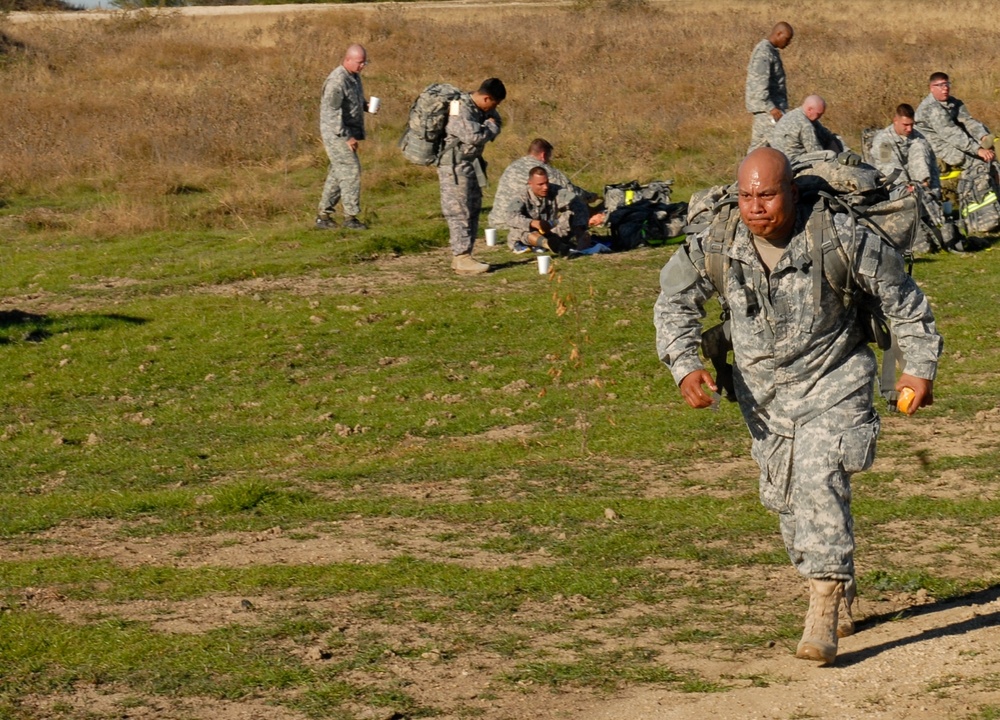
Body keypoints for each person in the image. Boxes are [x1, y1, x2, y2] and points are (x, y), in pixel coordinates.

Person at [653, 148, 942, 665]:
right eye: (746, 196)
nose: (755, 207)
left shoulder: (836, 235)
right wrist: (684, 363)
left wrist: (916, 366)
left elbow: (904, 300)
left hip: (835, 378)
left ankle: (823, 605)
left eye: (766, 195)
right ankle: (834, 579)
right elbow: (672, 301)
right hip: (762, 396)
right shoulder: (718, 240)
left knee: (818, 476)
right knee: (786, 501)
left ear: (791, 190)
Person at [438, 78, 506, 276]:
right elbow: (472, 136)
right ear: (486, 98)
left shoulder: (482, 109)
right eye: (494, 104)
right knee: (458, 210)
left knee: (473, 207)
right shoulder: (458, 107)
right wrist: (489, 128)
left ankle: (465, 254)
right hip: (454, 166)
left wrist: (487, 127)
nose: (495, 109)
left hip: (472, 164)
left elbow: (497, 121)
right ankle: (461, 257)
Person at [488, 138, 603, 248]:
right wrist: (592, 196)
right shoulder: (543, 171)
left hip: (496, 221)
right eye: (549, 157)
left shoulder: (512, 166)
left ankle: (556, 242)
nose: (545, 186)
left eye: (546, 183)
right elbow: (574, 192)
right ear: (543, 155)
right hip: (518, 224)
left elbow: (568, 197)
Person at [871, 103, 952, 250]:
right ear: (895, 120)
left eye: (911, 124)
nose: (909, 129)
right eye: (905, 125)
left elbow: (932, 167)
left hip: (921, 188)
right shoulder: (883, 142)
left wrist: (933, 191)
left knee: (919, 147)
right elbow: (889, 171)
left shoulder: (918, 137)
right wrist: (907, 187)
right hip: (895, 190)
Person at [315, 44, 372, 231]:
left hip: (345, 130)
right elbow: (332, 113)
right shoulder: (337, 81)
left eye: (364, 62)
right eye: (359, 62)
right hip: (336, 132)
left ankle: (323, 216)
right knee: (350, 169)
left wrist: (365, 106)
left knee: (338, 171)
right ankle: (351, 217)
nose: (362, 66)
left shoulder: (354, 77)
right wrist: (347, 137)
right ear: (347, 60)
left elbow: (352, 100)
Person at [914, 72, 995, 171]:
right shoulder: (931, 108)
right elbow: (952, 134)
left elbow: (968, 121)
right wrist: (978, 150)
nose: (945, 88)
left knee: (993, 152)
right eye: (940, 85)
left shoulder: (953, 102)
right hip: (937, 147)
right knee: (981, 166)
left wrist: (982, 136)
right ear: (931, 88)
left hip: (956, 141)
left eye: (947, 84)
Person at [502, 166, 591, 255]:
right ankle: (549, 245)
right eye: (540, 184)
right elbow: (510, 216)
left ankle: (572, 241)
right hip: (529, 233)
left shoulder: (555, 190)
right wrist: (533, 223)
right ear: (530, 183)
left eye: (547, 183)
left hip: (551, 229)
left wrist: (580, 230)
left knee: (570, 214)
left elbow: (578, 204)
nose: (545, 187)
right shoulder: (522, 196)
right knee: (520, 229)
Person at [745, 22, 794, 152]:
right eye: (787, 39)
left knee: (758, 150)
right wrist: (771, 108)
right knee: (785, 147)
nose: (788, 43)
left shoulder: (771, 51)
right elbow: (759, 83)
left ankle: (747, 171)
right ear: (779, 34)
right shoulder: (764, 52)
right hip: (769, 112)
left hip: (768, 110)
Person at [770, 95, 845, 163]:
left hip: (779, 159)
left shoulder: (792, 114)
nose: (820, 117)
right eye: (818, 114)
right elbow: (816, 152)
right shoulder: (806, 125)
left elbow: (825, 133)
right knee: (830, 155)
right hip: (794, 161)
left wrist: (831, 140)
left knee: (833, 138)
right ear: (810, 109)